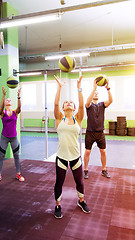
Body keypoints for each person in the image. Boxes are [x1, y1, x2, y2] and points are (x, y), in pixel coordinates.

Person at [53, 75, 90, 219]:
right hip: (61, 157)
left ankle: (81, 201)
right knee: (59, 182)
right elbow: (55, 105)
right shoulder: (58, 118)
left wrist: (79, 88)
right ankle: (57, 205)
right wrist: (59, 88)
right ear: (63, 108)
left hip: (76, 157)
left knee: (79, 181)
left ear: (73, 108)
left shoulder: (78, 118)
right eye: (66, 102)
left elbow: (82, 106)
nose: (68, 103)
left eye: (71, 103)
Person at [0, 86, 25, 184]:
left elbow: (19, 108)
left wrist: (18, 97)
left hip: (14, 137)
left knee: (16, 156)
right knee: (1, 156)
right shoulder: (2, 112)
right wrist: (3, 96)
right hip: (4, 137)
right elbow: (1, 107)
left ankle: (18, 174)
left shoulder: (15, 112)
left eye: (9, 99)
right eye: (7, 100)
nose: (8, 100)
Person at [83, 79, 113, 179]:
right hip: (90, 132)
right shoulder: (89, 105)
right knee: (87, 152)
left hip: (100, 132)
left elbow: (111, 101)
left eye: (97, 93)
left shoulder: (102, 104)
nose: (96, 94)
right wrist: (94, 89)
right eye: (94, 93)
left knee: (103, 151)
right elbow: (87, 101)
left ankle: (104, 170)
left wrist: (108, 88)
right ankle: (86, 170)